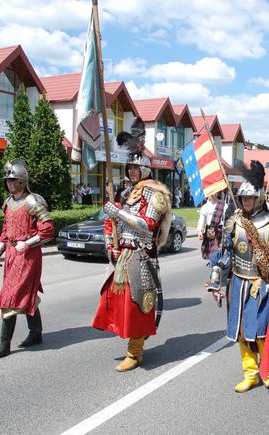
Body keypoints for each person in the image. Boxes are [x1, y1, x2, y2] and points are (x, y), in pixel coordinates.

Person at [92, 118, 172, 372]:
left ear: (146, 170)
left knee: (138, 304)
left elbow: (147, 224)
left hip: (142, 255)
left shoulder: (156, 193)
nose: (131, 172)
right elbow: (110, 224)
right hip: (123, 255)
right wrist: (109, 245)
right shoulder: (126, 193)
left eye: (136, 169)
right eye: (130, 169)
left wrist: (119, 213)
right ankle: (134, 343)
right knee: (120, 303)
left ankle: (135, 352)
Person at [207, 160, 269, 392]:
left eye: (250, 198)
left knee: (262, 331)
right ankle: (250, 373)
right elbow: (224, 255)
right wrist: (215, 282)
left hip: (262, 285)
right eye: (243, 198)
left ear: (259, 198)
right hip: (237, 283)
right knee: (242, 333)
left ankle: (267, 369)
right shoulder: (234, 222)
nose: (246, 202)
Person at [0, 159, 55, 359]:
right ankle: (36, 332)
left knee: (11, 296)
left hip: (28, 255)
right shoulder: (7, 203)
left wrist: (27, 243)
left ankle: (4, 343)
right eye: (7, 180)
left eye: (13, 180)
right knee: (24, 294)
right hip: (11, 255)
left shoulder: (33, 201)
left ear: (22, 181)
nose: (9, 183)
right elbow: (6, 232)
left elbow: (48, 228)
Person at [197, 191, 227, 265]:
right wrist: (200, 231)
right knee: (212, 255)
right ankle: (213, 266)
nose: (212, 194)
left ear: (217, 193)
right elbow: (201, 221)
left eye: (214, 192)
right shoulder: (204, 207)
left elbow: (227, 219)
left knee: (218, 254)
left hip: (220, 233)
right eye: (210, 192)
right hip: (210, 233)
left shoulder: (223, 205)